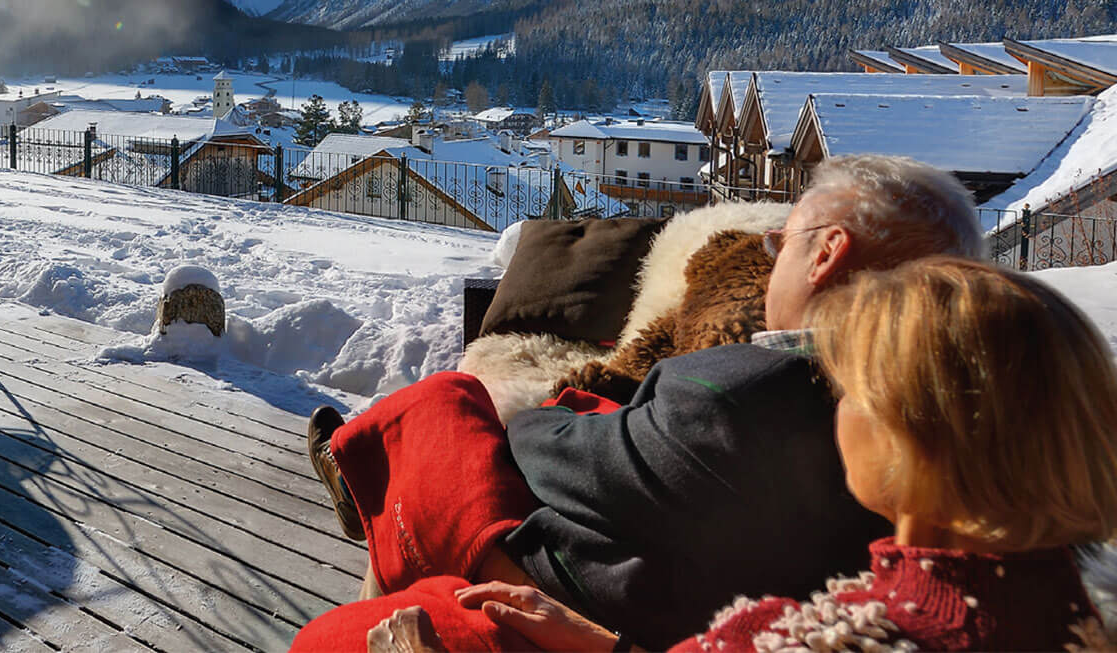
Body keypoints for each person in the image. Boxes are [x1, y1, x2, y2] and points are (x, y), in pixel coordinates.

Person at [298, 155, 988, 649]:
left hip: (578, 587)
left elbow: (557, 458)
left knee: (448, 403)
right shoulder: (955, 421)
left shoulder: (753, 386)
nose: (772, 256)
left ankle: (379, 497)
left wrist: (549, 416)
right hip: (653, 588)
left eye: (781, 241)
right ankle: (371, 487)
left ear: (828, 254)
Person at [361, 257, 1117, 652]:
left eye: (850, 387)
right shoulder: (1070, 615)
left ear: (904, 439)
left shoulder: (830, 635)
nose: (834, 405)